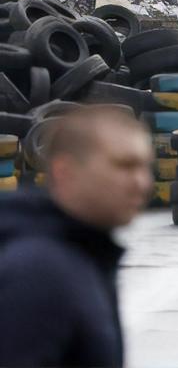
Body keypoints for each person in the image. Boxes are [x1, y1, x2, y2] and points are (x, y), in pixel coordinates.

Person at [0, 105, 153, 368]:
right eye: (124, 166)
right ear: (65, 172)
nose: (142, 183)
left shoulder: (85, 255)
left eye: (145, 167)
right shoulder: (39, 272)